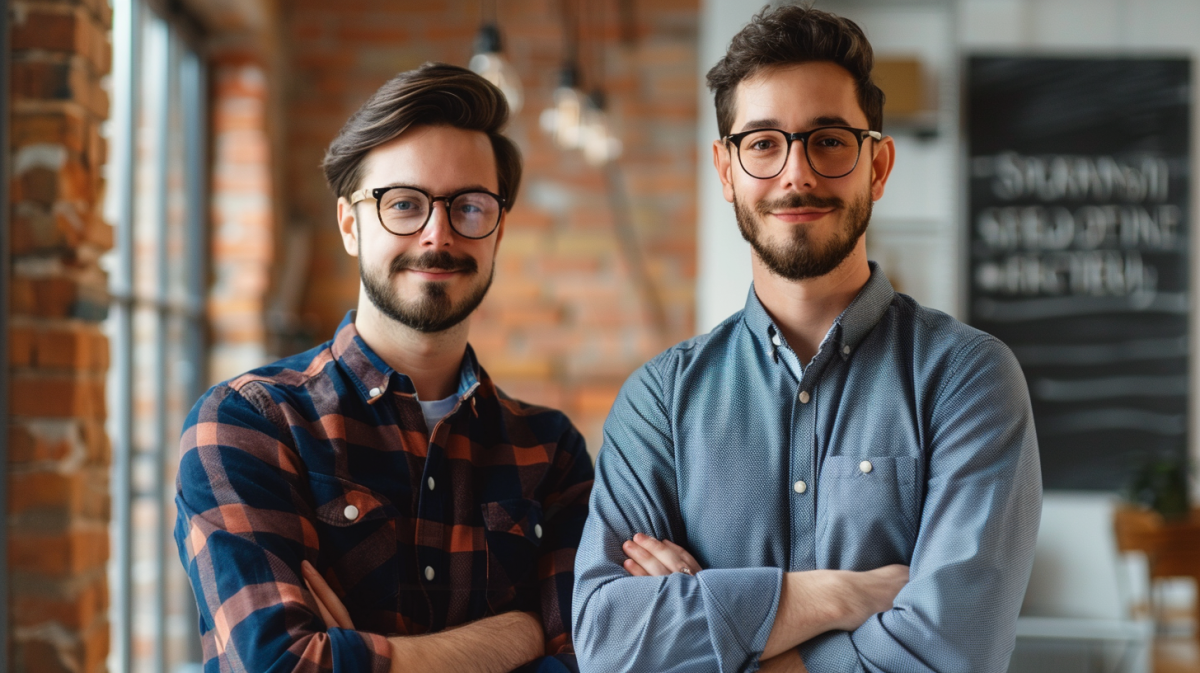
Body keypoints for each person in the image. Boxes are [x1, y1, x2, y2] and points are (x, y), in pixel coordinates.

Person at [571, 6, 1042, 673]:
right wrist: (835, 596)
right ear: (727, 170)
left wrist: (726, 631)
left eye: (828, 140)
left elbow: (952, 651)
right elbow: (610, 644)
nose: (796, 174)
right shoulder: (660, 401)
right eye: (763, 142)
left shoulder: (968, 379)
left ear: (877, 165)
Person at [175, 63, 593, 673]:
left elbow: (589, 660)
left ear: (497, 230)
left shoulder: (550, 452)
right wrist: (521, 633)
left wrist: (358, 656)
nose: (437, 234)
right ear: (351, 224)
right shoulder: (251, 424)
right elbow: (281, 665)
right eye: (404, 204)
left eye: (469, 208)